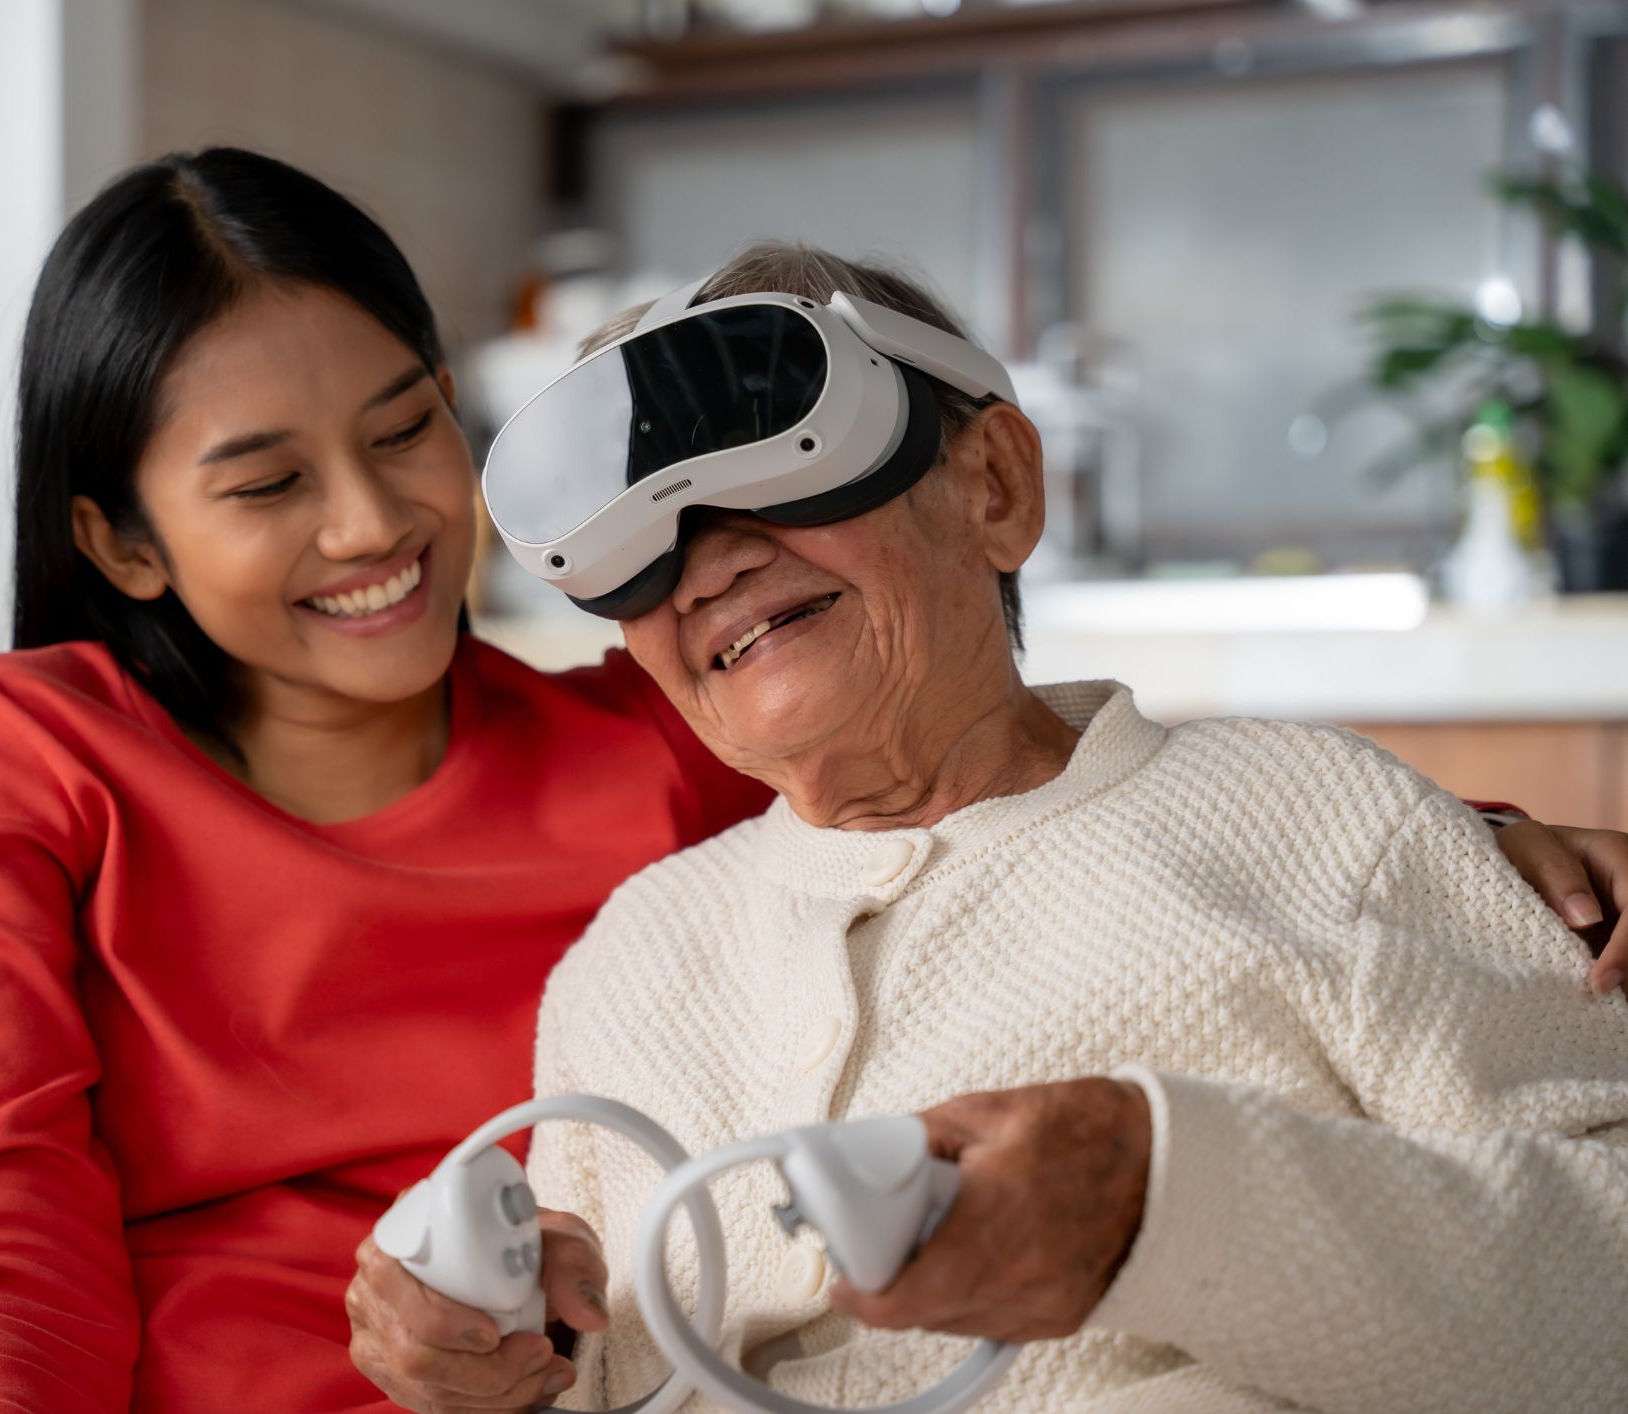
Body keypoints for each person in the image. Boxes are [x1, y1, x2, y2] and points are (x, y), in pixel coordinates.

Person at [0, 149, 1623, 1413]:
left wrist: (1447, 844)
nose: (371, 527)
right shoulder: (632, 920)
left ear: (986, 482)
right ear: (119, 541)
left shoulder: (639, 748)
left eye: (404, 430)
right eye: (264, 481)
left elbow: (1074, 814)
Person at [345, 245, 1628, 1413]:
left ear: (995, 486)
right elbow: (596, 1364)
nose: (709, 566)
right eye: (645, 551)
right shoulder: (632, 958)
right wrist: (514, 1359)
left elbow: (1603, 1291)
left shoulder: (1321, 825)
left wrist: (1161, 1207)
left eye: (775, 479)